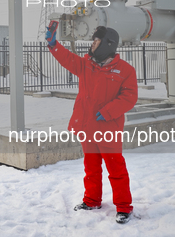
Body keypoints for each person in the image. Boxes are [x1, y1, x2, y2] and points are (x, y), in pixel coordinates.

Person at [46, 25, 138, 224]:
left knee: (116, 170)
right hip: (87, 127)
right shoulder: (87, 64)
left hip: (108, 129)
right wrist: (53, 44)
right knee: (91, 168)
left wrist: (107, 112)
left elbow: (129, 98)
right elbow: (68, 59)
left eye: (96, 41)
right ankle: (92, 200)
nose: (92, 45)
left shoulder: (125, 70)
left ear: (107, 44)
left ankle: (123, 207)